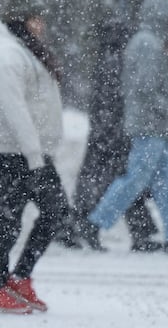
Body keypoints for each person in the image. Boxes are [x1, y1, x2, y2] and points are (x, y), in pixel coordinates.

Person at [0, 0, 72, 314]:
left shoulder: (21, 50)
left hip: (30, 152)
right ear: (20, 20)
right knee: (11, 218)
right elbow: (15, 110)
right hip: (16, 152)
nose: (40, 24)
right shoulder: (4, 55)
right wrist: (35, 157)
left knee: (49, 213)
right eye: (35, 18)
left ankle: (16, 279)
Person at [87, 0, 168, 255]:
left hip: (153, 125)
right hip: (149, 125)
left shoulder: (147, 42)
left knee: (167, 183)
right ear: (160, 17)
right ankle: (94, 223)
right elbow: (146, 87)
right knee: (137, 179)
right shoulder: (148, 44)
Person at [67, 19, 160, 253]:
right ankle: (134, 231)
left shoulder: (106, 57)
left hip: (104, 129)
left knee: (111, 179)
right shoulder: (116, 60)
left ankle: (81, 224)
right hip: (113, 131)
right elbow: (118, 97)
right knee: (121, 180)